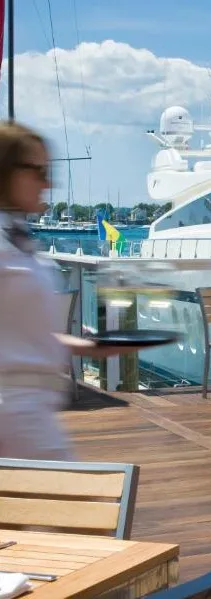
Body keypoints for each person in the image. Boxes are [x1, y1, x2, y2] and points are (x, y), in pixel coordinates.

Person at [0, 122, 136, 460]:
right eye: (38, 171)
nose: (48, 183)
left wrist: (91, 347)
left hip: (32, 415)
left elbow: (19, 333)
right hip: (14, 419)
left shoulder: (15, 237)